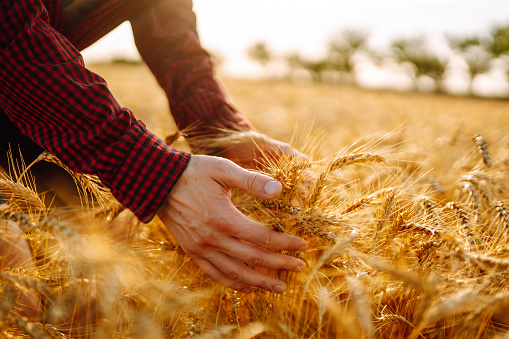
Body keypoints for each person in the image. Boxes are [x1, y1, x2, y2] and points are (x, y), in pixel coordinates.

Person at [0, 0, 307, 295]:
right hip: (29, 84)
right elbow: (9, 29)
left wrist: (222, 131)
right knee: (16, 287)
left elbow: (172, 34)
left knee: (93, 278)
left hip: (36, 103)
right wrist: (158, 175)